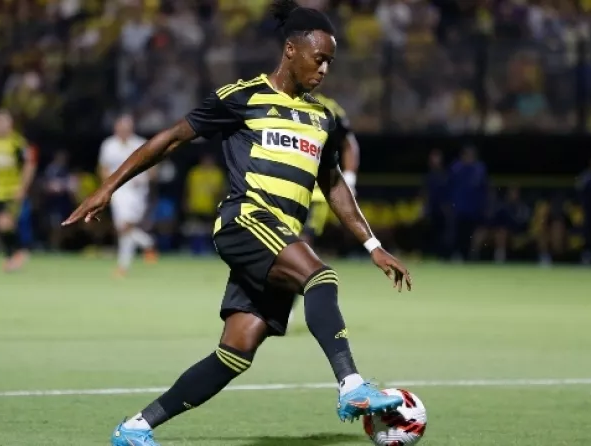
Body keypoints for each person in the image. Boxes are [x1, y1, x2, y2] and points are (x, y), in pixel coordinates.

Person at [63, 2, 412, 445]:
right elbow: (169, 139)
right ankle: (351, 384)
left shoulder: (321, 118)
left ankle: (135, 428)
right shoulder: (243, 96)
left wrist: (373, 246)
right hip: (246, 221)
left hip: (281, 237)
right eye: (318, 58)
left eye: (330, 62)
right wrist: (107, 188)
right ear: (291, 50)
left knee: (236, 352)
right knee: (320, 277)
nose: (324, 69)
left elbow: (334, 185)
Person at [288, 91, 359, 327]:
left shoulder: (329, 108)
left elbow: (349, 143)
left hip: (316, 193)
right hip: (283, 187)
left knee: (301, 244)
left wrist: (349, 180)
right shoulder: (277, 101)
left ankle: (286, 306)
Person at [99, 114, 158, 277]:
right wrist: (107, 190)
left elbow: (152, 168)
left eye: (126, 128)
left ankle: (145, 246)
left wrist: (145, 179)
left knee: (125, 228)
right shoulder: (109, 145)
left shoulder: (139, 144)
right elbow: (104, 168)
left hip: (137, 192)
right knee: (123, 227)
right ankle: (141, 249)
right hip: (118, 191)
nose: (123, 130)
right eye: (120, 127)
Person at [0, 110, 37, 272]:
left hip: (13, 192)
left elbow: (30, 165)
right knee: (2, 225)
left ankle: (17, 253)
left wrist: (23, 187)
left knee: (5, 222)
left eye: (1, 122)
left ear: (10, 124)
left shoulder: (18, 143)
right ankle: (14, 254)